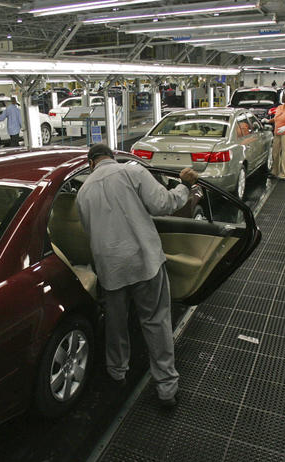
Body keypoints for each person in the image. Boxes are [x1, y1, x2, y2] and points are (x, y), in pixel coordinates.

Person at [76, 144, 199, 408]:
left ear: (90, 164)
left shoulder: (83, 193)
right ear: (113, 156)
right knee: (155, 322)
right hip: (144, 263)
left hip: (110, 270)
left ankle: (117, 373)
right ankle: (166, 389)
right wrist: (185, 186)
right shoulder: (133, 173)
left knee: (116, 324)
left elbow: (89, 232)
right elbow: (164, 204)